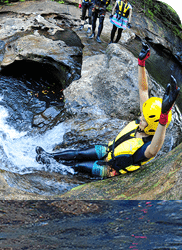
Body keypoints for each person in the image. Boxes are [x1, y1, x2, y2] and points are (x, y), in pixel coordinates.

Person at [36, 43, 180, 178]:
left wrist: (164, 116)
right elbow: (143, 90)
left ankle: (51, 165)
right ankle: (49, 156)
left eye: (144, 120)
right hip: (108, 150)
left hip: (111, 168)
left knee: (78, 166)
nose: (140, 118)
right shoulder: (145, 121)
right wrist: (141, 64)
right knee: (79, 152)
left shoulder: (148, 148)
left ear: (153, 126)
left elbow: (156, 147)